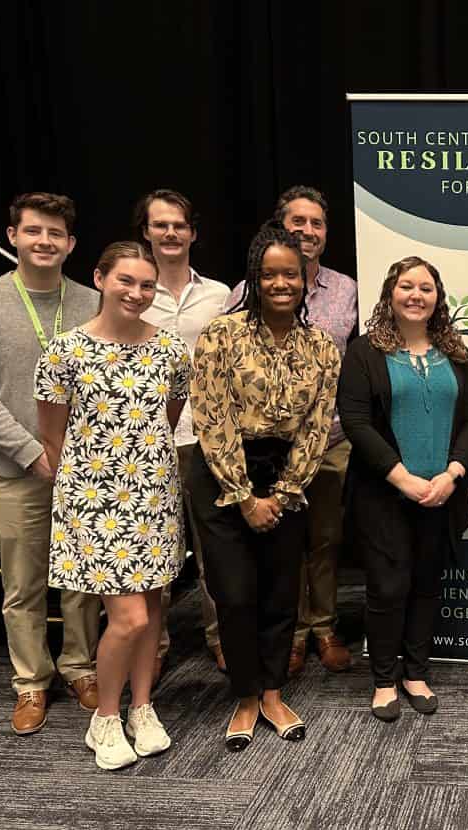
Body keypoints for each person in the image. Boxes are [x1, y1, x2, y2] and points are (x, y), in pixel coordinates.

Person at [34, 241, 190, 770]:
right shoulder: (65, 351)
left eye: (147, 285)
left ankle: (142, 707)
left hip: (154, 493)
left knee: (151, 611)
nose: (137, 293)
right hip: (95, 501)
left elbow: (165, 421)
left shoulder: (170, 349)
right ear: (100, 278)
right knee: (125, 617)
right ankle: (104, 716)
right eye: (126, 280)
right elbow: (52, 435)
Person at [0, 192, 101, 736]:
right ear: (13, 235)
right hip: (15, 471)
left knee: (83, 580)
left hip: (84, 472)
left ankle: (81, 668)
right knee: (22, 584)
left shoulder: (91, 302)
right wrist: (32, 451)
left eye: (55, 234)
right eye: (34, 231)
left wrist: (80, 455)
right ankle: (31, 682)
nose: (45, 241)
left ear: (71, 244)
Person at [189, 223, 339, 751]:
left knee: (281, 591)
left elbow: (318, 426)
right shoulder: (219, 335)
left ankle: (273, 692)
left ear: (304, 279)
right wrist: (245, 496)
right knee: (234, 593)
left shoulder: (321, 347)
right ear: (254, 278)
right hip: (223, 475)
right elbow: (211, 417)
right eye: (269, 273)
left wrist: (284, 489)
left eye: (291, 274)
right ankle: (245, 696)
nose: (281, 283)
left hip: (288, 478)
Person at [338, 256, 468, 722]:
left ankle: (415, 673)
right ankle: (384, 680)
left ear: (438, 297)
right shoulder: (365, 352)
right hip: (384, 493)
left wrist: (452, 473)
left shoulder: (457, 355)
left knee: (426, 583)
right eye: (406, 286)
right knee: (386, 586)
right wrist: (402, 477)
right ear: (390, 294)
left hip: (443, 492)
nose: (416, 295)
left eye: (425, 287)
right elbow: (357, 422)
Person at [231, 186, 359, 678]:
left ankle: (324, 627)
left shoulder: (345, 289)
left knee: (325, 539)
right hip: (269, 448)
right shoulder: (245, 291)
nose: (308, 231)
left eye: (317, 223)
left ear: (326, 233)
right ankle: (291, 633)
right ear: (280, 227)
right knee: (282, 543)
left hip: (330, 441)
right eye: (297, 222)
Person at [134, 188, 231, 678]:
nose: (170, 233)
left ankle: (221, 638)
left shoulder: (220, 295)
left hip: (207, 439)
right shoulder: (131, 292)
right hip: (144, 443)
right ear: (146, 232)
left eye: (179, 225)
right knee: (154, 550)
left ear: (193, 233)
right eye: (160, 225)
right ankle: (155, 644)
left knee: (215, 549)